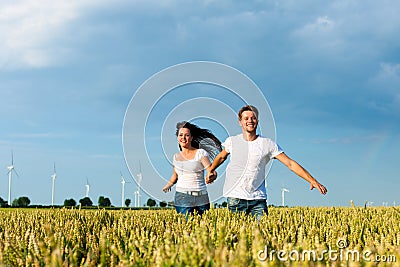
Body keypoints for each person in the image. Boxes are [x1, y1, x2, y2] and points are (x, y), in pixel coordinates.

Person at [206, 105, 327, 220]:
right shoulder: (232, 141)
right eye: (246, 118)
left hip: (258, 200)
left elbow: (290, 163)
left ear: (257, 121)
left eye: (253, 118)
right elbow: (221, 157)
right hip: (236, 198)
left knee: (262, 236)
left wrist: (312, 180)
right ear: (240, 122)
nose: (250, 121)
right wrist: (211, 170)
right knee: (236, 238)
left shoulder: (268, 144)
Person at [163, 121, 222, 216]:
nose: (183, 138)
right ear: (177, 138)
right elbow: (175, 176)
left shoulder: (200, 153)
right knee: (187, 227)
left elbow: (211, 170)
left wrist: (212, 176)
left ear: (191, 138)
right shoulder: (176, 157)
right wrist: (168, 185)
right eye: (181, 135)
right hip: (182, 196)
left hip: (201, 196)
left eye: (187, 135)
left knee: (203, 228)